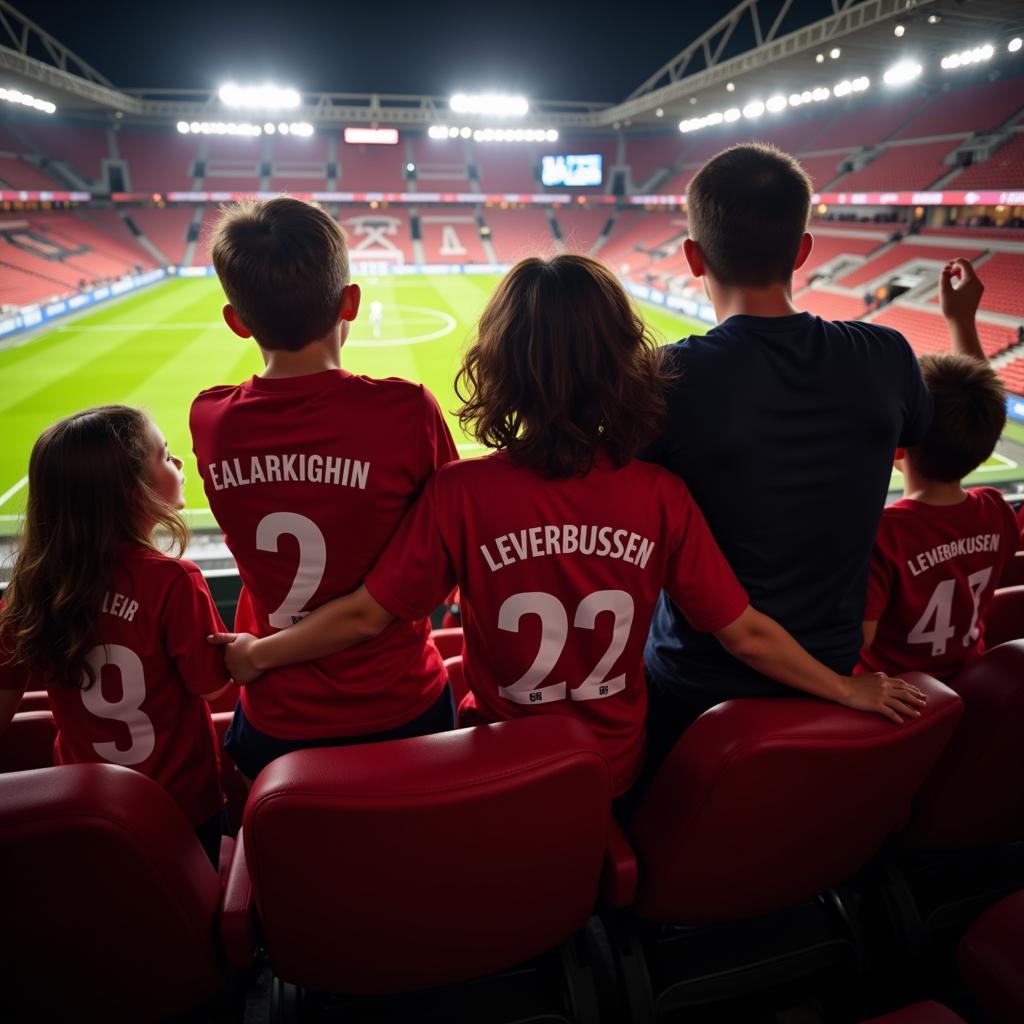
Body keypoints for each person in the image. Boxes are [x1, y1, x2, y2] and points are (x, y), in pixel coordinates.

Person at [209, 256, 924, 815]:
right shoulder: (663, 495)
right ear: (629, 364)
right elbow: (745, 633)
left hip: (503, 764)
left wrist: (261, 653)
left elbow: (372, 611)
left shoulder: (461, 495)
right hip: (617, 769)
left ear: (495, 366)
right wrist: (843, 687)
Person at [640, 143, 937, 754]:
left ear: (693, 259)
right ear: (804, 250)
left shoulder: (667, 378)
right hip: (834, 671)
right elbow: (931, 451)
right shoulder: (887, 356)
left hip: (695, 688)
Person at [190, 196, 457, 780]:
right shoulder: (406, 411)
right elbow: (444, 553)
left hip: (280, 717)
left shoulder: (211, 420)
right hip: (402, 702)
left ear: (237, 321)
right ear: (351, 303)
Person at [0, 406, 230, 866]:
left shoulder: (30, 591)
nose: (179, 464)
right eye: (165, 456)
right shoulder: (173, 581)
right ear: (132, 492)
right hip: (184, 808)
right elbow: (212, 686)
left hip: (89, 809)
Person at [859, 260, 1018, 680]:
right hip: (965, 685)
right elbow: (978, 415)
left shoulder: (885, 534)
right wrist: (962, 320)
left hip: (899, 705)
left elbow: (855, 641)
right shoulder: (997, 510)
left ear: (897, 448)